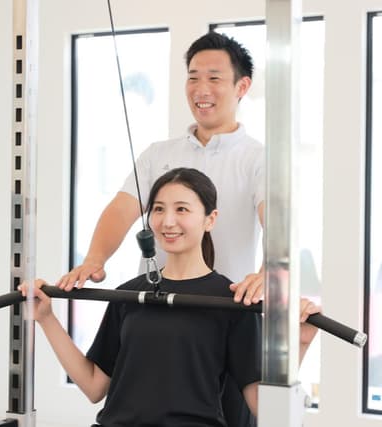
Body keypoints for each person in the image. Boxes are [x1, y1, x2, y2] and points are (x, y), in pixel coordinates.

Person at [58, 31, 267, 427]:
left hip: (222, 320)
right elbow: (121, 210)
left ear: (242, 87)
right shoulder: (160, 154)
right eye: (193, 77)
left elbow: (275, 219)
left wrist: (268, 271)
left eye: (214, 78)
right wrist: (94, 259)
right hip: (156, 309)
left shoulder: (258, 158)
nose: (201, 89)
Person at [22, 168, 320, 426]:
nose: (167, 221)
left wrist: (300, 344)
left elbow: (264, 408)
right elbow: (93, 386)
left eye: (182, 209)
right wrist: (46, 318)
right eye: (158, 209)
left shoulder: (231, 301)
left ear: (210, 219)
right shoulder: (128, 294)